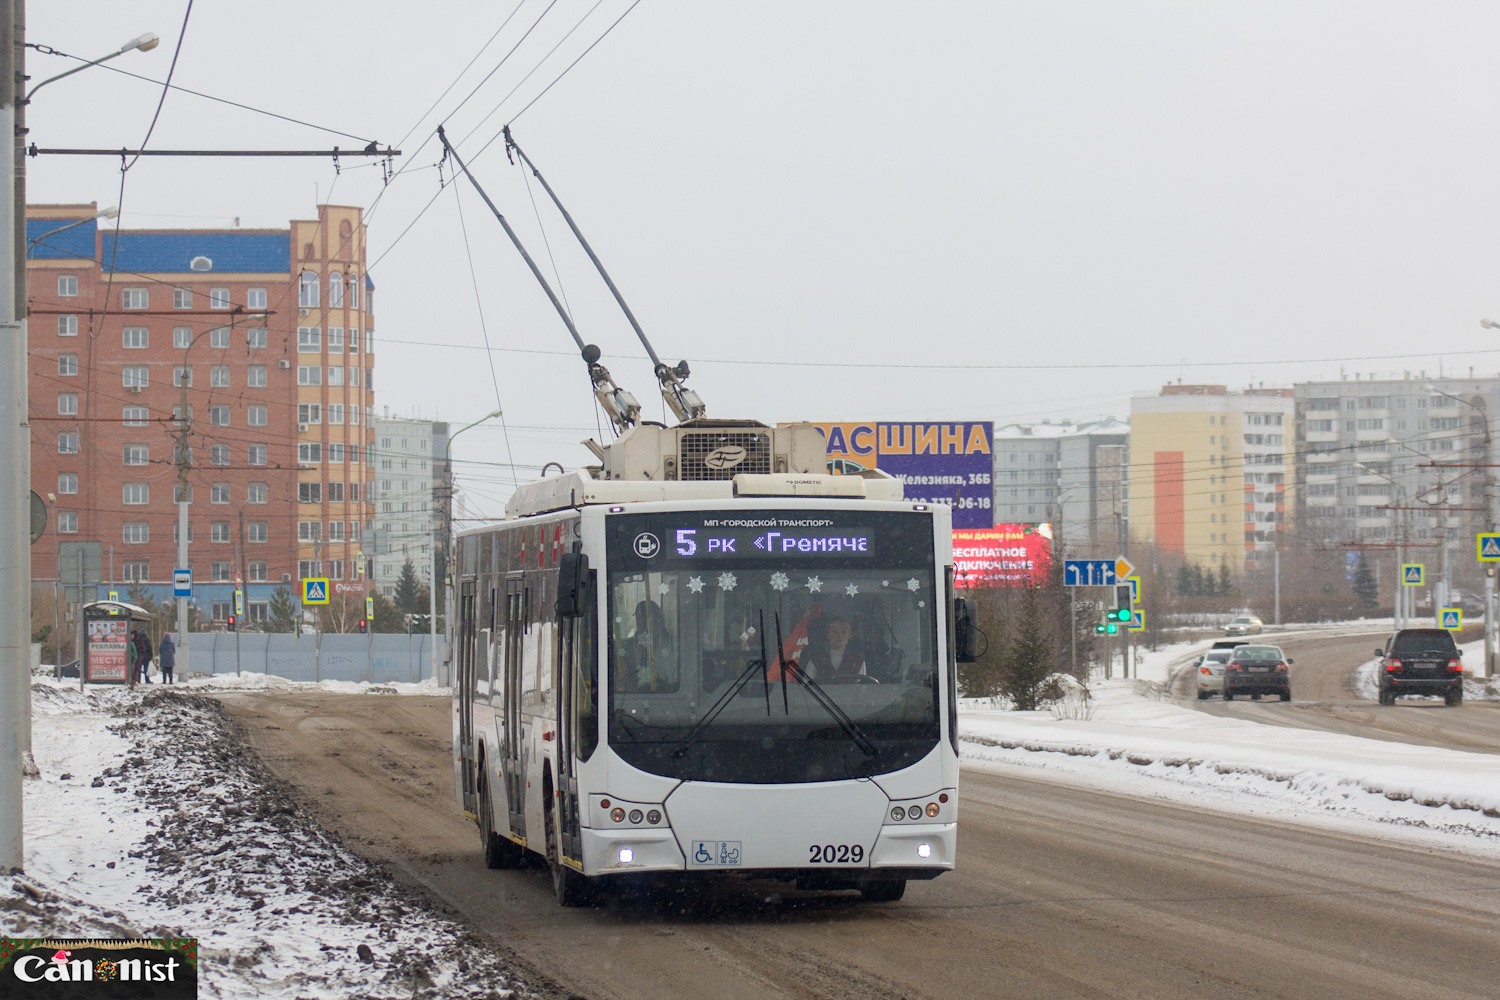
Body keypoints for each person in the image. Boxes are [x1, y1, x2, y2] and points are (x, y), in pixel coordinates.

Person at [801, 617, 867, 680]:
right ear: (827, 634)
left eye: (843, 632)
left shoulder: (858, 660)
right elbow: (807, 687)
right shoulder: (816, 660)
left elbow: (862, 689)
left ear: (849, 635)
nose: (839, 635)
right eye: (834, 632)